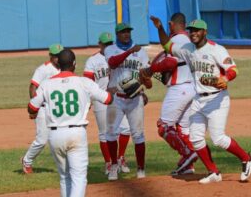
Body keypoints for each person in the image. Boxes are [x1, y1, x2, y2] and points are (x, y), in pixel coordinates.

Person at [150, 16, 251, 184]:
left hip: (217, 100)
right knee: (196, 138)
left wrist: (226, 79)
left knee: (218, 138)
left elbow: (233, 69)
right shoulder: (187, 48)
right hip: (198, 99)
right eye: (191, 31)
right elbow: (168, 46)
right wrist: (160, 28)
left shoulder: (216, 49)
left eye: (197, 30)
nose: (193, 34)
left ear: (205, 32)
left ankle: (247, 158)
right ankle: (213, 172)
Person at [28, 48, 113, 197]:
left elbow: (31, 107)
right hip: (76, 133)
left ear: (58, 64)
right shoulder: (84, 82)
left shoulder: (47, 84)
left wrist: (35, 112)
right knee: (78, 178)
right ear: (74, 64)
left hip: (55, 135)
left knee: (64, 177)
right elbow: (107, 99)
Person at [149, 13, 198, 175]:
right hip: (192, 88)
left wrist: (150, 69)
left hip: (180, 88)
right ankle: (188, 165)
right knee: (183, 129)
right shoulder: (190, 40)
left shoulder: (178, 40)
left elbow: (170, 62)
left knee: (164, 126)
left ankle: (188, 154)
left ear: (171, 24)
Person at [104, 23, 152, 181]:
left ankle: (141, 169)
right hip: (115, 98)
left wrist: (145, 84)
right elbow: (112, 63)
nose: (126, 34)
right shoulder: (110, 49)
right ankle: (113, 166)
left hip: (135, 99)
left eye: (128, 32)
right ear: (117, 34)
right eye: (123, 32)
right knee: (110, 133)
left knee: (138, 135)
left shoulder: (142, 52)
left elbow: (146, 75)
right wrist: (130, 51)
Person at [83, 32, 131, 174]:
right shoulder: (92, 61)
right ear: (100, 44)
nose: (109, 46)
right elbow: (87, 82)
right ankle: (109, 163)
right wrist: (87, 99)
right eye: (106, 44)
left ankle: (120, 157)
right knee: (105, 133)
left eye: (111, 44)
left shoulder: (120, 57)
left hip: (119, 99)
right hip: (100, 100)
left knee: (126, 129)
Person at [21, 44, 63, 174]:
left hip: (57, 108)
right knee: (42, 140)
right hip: (43, 108)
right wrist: (34, 108)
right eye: (56, 56)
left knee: (60, 137)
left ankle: (64, 165)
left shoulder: (65, 67)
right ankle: (27, 160)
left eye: (60, 56)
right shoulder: (43, 69)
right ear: (50, 56)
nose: (58, 59)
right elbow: (32, 87)